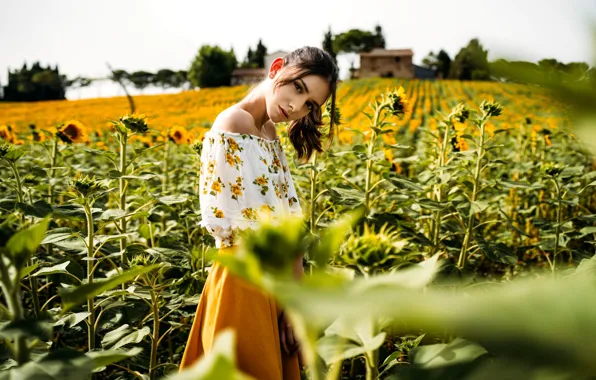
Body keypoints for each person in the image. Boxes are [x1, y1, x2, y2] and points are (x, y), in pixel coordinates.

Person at [179, 46, 339, 379]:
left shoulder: (267, 132)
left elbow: (288, 228)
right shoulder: (235, 122)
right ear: (276, 68)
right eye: (298, 88)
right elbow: (264, 231)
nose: (297, 106)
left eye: (310, 104)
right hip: (245, 282)